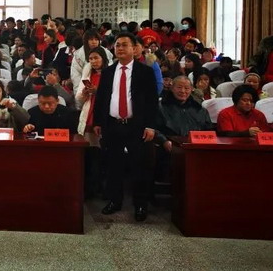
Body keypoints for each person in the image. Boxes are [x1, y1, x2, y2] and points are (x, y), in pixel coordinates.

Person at [93, 32, 159, 222]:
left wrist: (150, 126)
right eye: (117, 45)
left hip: (136, 126)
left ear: (134, 48)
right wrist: (98, 122)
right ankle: (115, 201)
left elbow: (152, 102)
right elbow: (101, 99)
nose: (120, 48)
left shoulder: (144, 72)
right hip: (113, 125)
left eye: (124, 45)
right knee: (113, 165)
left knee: (139, 166)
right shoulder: (108, 72)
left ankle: (140, 204)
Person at [156, 76, 213, 151]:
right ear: (172, 88)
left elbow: (209, 132)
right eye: (179, 87)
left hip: (197, 149)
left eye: (186, 88)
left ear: (191, 89)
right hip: (170, 149)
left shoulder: (200, 110)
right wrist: (164, 141)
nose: (183, 91)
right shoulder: (160, 107)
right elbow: (154, 129)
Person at [76, 47, 109, 134]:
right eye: (90, 59)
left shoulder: (110, 74)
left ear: (103, 58)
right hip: (88, 110)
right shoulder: (88, 74)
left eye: (96, 58)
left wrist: (97, 91)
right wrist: (84, 94)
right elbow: (79, 98)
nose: (93, 61)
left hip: (103, 112)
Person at [71, 29, 113, 95]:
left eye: (96, 39)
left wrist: (101, 89)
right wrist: (80, 92)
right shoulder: (78, 55)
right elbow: (76, 76)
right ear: (86, 41)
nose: (94, 42)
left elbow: (110, 72)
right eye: (91, 40)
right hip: (85, 86)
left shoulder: (106, 53)